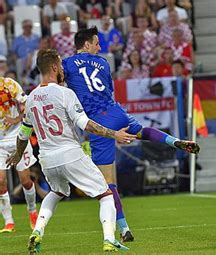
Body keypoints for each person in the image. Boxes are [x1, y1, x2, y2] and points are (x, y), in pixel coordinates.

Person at [62, 27, 200, 242]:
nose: (100, 47)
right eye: (97, 43)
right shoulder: (104, 63)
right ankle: (175, 141)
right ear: (87, 44)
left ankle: (124, 229)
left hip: (97, 122)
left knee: (108, 184)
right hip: (116, 111)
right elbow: (107, 89)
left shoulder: (67, 64)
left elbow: (64, 88)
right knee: (141, 131)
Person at [6, 49, 133, 252]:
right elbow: (86, 125)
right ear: (55, 67)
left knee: (56, 192)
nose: (64, 70)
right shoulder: (65, 93)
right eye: (61, 65)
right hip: (70, 154)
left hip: (47, 159)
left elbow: (23, 134)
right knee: (106, 195)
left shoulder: (30, 98)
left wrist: (18, 154)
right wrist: (114, 134)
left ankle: (37, 231)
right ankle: (109, 239)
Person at [0, 56, 38, 233]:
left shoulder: (10, 85)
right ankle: (9, 221)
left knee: (26, 181)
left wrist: (15, 118)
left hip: (17, 137)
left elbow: (26, 108)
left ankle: (32, 211)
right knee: (0, 182)